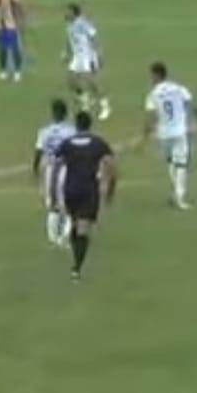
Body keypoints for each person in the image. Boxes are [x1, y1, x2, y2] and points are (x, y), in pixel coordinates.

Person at [56, 112, 118, 281]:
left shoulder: (66, 144)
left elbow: (56, 166)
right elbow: (112, 167)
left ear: (76, 125)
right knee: (83, 229)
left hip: (70, 189)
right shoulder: (99, 144)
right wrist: (110, 191)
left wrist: (54, 192)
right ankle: (76, 269)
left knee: (76, 225)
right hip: (88, 190)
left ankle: (74, 259)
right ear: (90, 125)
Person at [141, 61, 197, 210]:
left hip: (164, 134)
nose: (151, 78)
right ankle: (179, 196)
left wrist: (145, 137)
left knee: (173, 163)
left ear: (157, 75)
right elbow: (193, 106)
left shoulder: (153, 94)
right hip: (179, 131)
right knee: (180, 164)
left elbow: (151, 117)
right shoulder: (179, 88)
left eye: (152, 75)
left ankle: (177, 194)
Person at [31, 98, 78, 248]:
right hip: (67, 169)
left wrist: (35, 169)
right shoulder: (72, 131)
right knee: (70, 204)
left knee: (53, 205)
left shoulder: (45, 131)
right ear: (66, 114)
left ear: (53, 114)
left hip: (50, 170)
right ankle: (64, 236)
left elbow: (38, 152)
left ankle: (53, 237)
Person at [65, 3, 110, 120]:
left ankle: (105, 106)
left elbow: (93, 37)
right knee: (71, 81)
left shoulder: (82, 23)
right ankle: (85, 101)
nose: (66, 13)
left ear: (74, 12)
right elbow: (71, 41)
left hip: (87, 56)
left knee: (91, 82)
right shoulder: (70, 25)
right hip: (77, 57)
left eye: (68, 11)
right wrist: (66, 53)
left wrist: (99, 54)